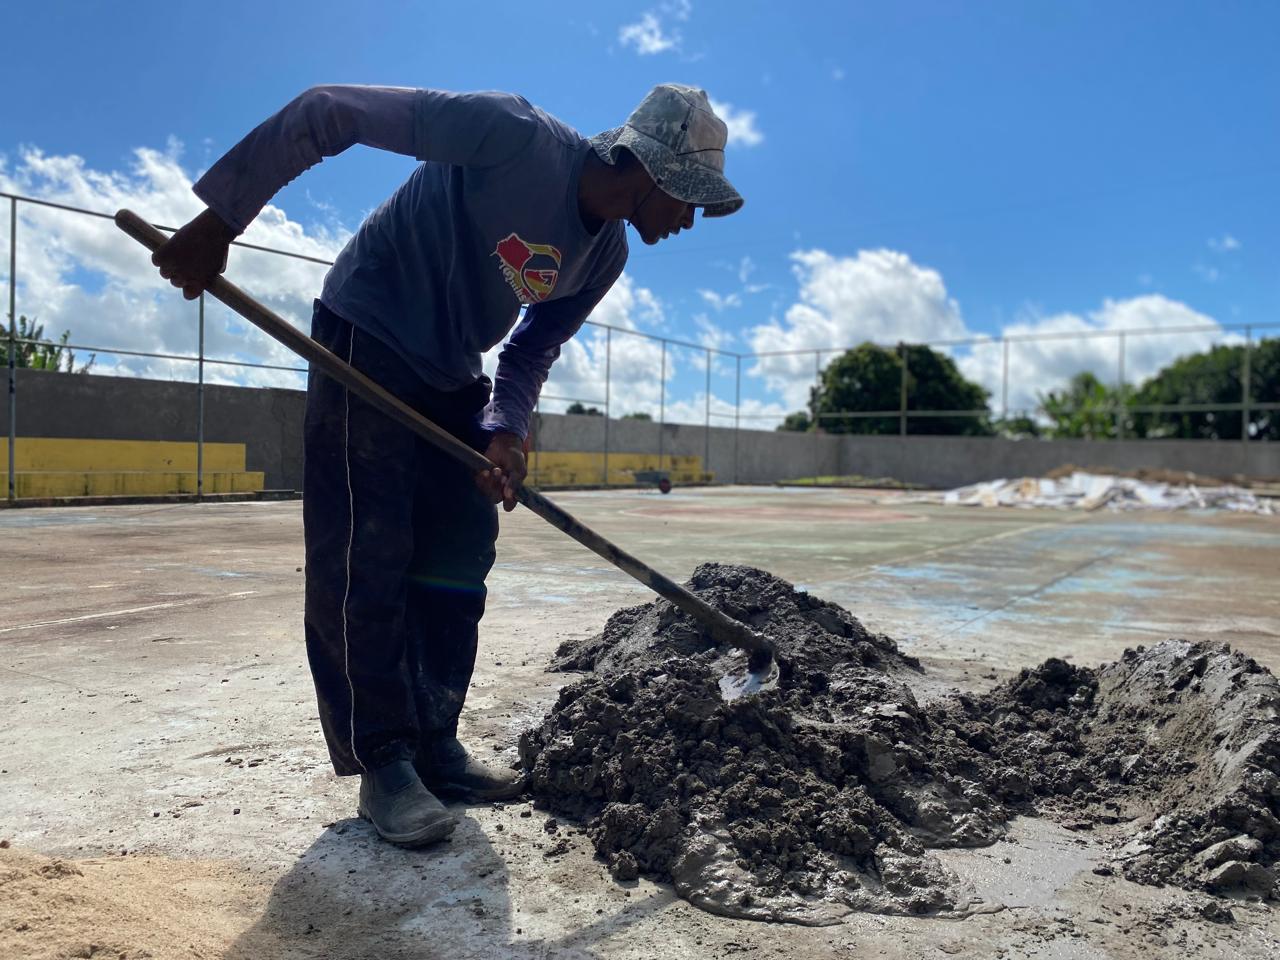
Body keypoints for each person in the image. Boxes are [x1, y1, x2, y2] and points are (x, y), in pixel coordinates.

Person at [151, 82, 744, 848]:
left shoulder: (608, 253)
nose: (690, 219)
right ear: (652, 168)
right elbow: (328, 110)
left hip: (451, 370)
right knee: (369, 552)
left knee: (462, 547)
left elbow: (531, 346)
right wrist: (222, 217)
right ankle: (385, 763)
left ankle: (436, 743)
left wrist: (504, 428)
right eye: (690, 200)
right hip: (366, 329)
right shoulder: (513, 135)